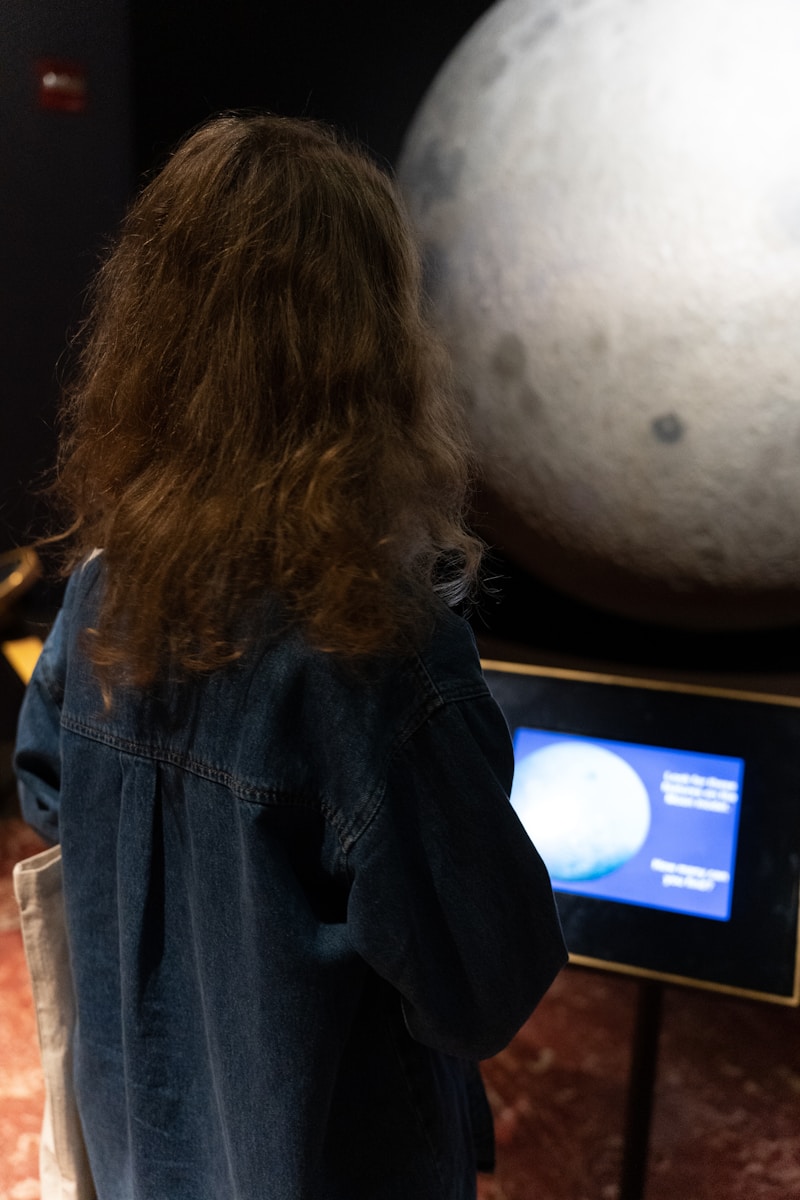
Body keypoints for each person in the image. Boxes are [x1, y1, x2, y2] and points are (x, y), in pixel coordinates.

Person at [14, 113, 567, 1200]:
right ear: (367, 349)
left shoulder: (98, 595)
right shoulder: (378, 657)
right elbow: (481, 979)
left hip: (142, 1159)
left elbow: (48, 794)